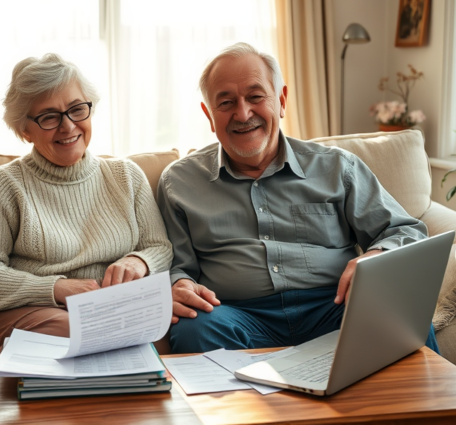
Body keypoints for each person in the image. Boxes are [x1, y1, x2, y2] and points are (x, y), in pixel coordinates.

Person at [157, 42, 438, 354]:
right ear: (209, 115)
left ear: (281, 100)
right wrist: (177, 285)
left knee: (402, 312)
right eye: (225, 103)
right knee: (194, 328)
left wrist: (375, 258)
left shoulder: (337, 167)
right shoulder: (178, 183)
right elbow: (175, 265)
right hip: (237, 315)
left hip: (334, 306)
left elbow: (405, 231)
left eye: (255, 96)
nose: (243, 113)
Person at [0, 53, 173, 360]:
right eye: (49, 116)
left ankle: (28, 356)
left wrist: (139, 262)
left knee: (160, 334)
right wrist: (57, 289)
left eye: (76, 110)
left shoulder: (126, 176)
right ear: (24, 130)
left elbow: (159, 247)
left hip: (106, 309)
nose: (68, 126)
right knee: (85, 330)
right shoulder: (2, 185)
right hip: (27, 309)